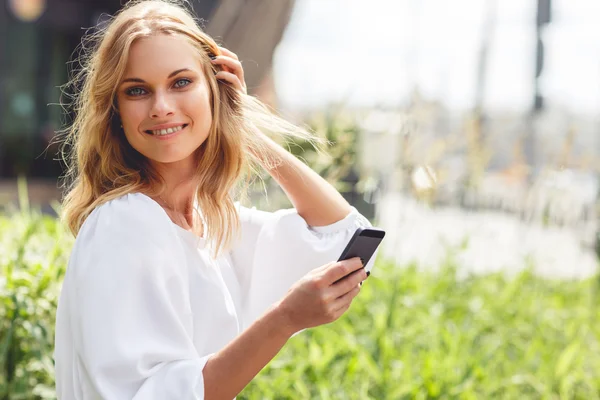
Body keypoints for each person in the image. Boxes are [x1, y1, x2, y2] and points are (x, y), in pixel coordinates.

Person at [54, 1, 375, 399]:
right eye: (137, 90)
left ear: (214, 90)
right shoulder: (126, 222)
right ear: (115, 110)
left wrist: (241, 122)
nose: (161, 107)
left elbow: (348, 238)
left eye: (181, 82)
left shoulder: (210, 225)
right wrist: (284, 319)